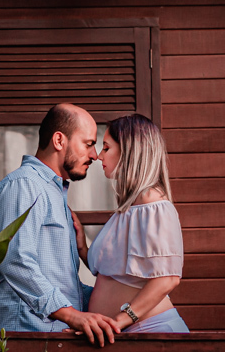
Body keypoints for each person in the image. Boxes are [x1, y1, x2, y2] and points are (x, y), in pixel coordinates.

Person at [0, 103, 122, 346]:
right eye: (88, 144)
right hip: (22, 338)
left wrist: (127, 305)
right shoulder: (24, 185)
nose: (95, 155)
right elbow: (15, 261)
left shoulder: (54, 192)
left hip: (49, 338)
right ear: (59, 141)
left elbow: (64, 286)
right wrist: (73, 315)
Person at [80, 113, 188, 333]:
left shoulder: (153, 204)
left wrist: (120, 320)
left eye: (106, 148)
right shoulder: (131, 208)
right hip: (131, 333)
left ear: (130, 151)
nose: (99, 156)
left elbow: (167, 279)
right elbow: (114, 274)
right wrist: (82, 247)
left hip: (152, 331)